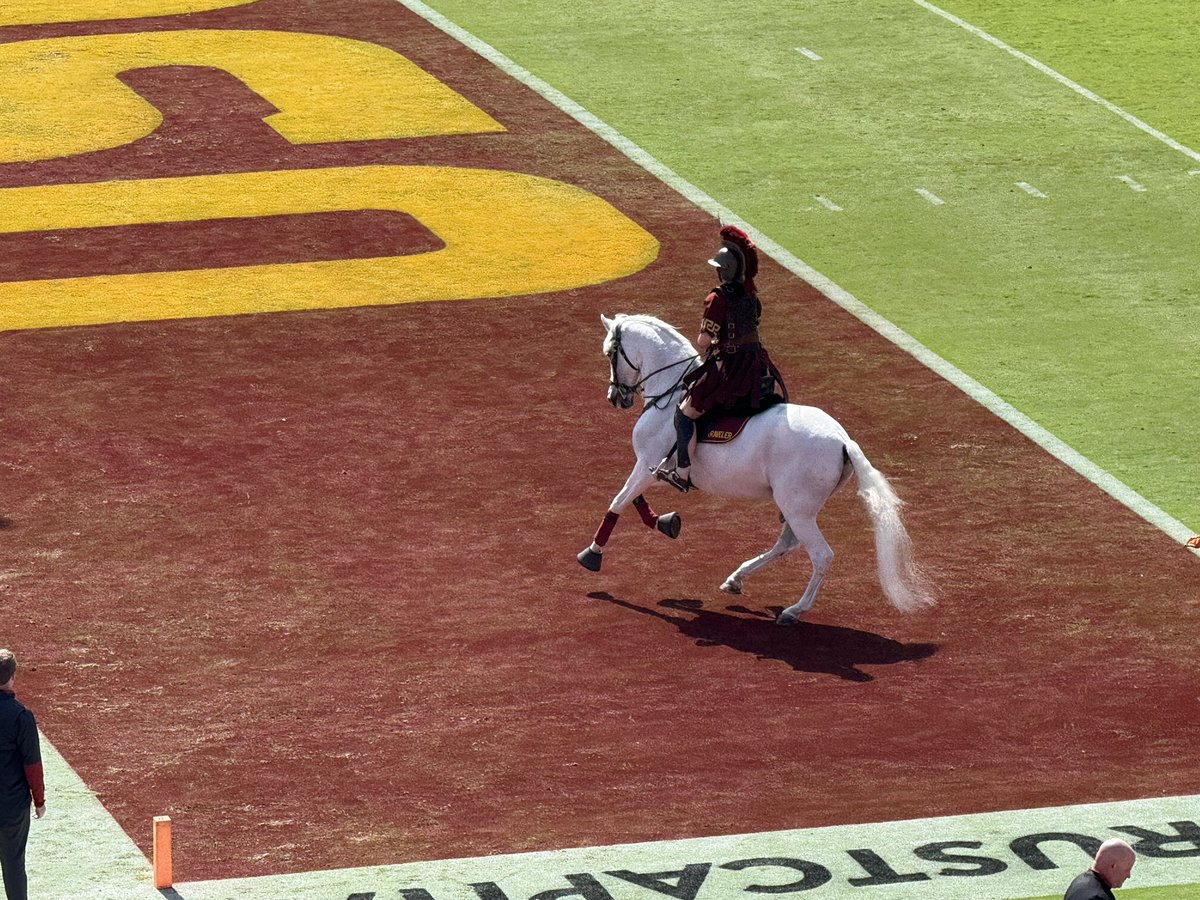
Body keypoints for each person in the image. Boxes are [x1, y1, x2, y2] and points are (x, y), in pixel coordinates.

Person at [651, 225, 786, 492]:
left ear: (722, 270)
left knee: (685, 413)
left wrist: (713, 341)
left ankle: (682, 472)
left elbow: (703, 340)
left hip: (731, 370)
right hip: (756, 366)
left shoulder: (718, 298)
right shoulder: (751, 296)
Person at [0, 650, 45, 900]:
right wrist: (39, 801)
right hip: (11, 804)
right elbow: (33, 765)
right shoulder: (22, 716)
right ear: (12, 677)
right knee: (14, 863)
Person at [1063, 838, 1136, 899]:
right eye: (1127, 870)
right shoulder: (1100, 897)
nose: (1128, 875)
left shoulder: (1079, 882)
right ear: (1113, 866)